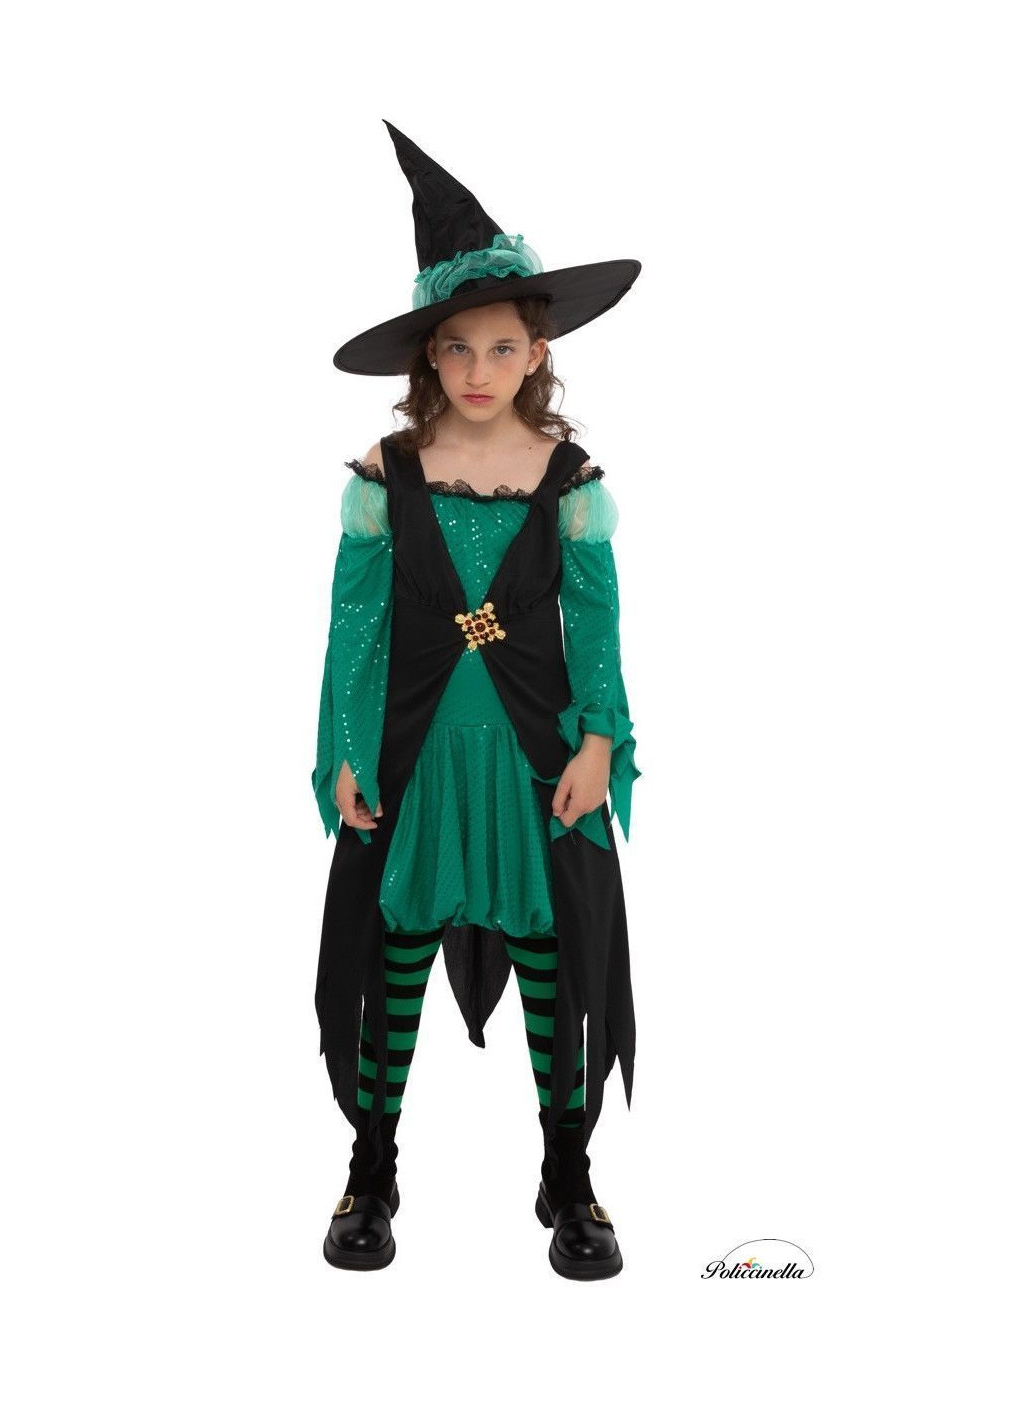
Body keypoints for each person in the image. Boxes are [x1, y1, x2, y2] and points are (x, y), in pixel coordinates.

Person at [312, 121, 643, 1280]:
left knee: (554, 954)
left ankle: (569, 1172)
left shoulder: (568, 482)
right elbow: (354, 632)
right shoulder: (385, 477)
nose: (477, 370)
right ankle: (370, 1167)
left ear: (536, 351)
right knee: (390, 956)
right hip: (416, 757)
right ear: (428, 357)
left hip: (528, 758)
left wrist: (598, 740)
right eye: (455, 348)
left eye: (501, 347)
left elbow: (593, 627)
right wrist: (345, 752)